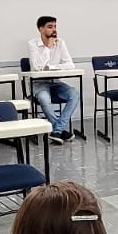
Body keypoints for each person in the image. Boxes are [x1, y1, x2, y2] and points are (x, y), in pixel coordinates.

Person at [28, 14, 81, 145]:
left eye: (55, 26)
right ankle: (60, 131)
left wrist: (51, 67)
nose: (54, 30)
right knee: (44, 99)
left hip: (55, 82)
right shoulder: (32, 44)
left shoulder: (60, 42)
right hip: (39, 83)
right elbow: (37, 67)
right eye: (50, 27)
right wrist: (48, 47)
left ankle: (57, 130)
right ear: (41, 29)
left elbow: (70, 64)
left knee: (74, 94)